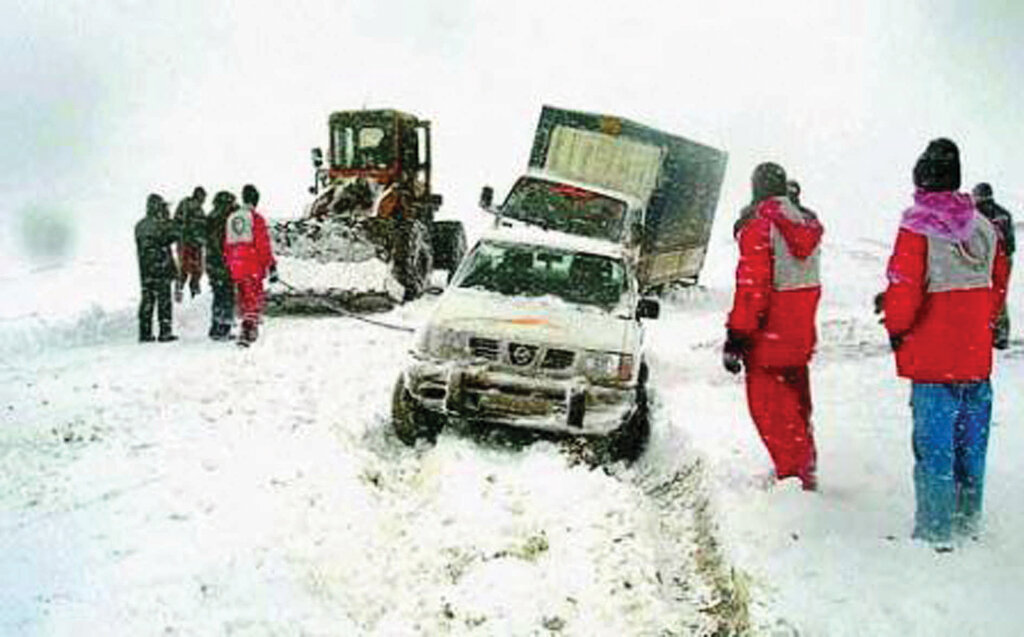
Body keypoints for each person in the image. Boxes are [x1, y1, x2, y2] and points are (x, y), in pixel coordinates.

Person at [882, 139, 1009, 549]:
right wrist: (979, 323)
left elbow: (904, 291)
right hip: (975, 357)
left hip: (933, 361)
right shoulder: (986, 227)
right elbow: (998, 284)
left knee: (935, 450)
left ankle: (936, 533)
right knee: (972, 445)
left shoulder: (916, 227)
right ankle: (968, 523)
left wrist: (897, 328)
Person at [723, 162, 824, 491]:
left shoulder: (760, 227)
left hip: (768, 339)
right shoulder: (805, 224)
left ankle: (793, 484)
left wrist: (736, 336)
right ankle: (804, 473)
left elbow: (752, 289)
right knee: (796, 410)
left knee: (771, 413)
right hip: (798, 336)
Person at [224, 184, 278, 347]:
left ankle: (246, 326)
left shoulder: (232, 217)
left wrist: (231, 262)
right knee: (253, 298)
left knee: (243, 297)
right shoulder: (256, 218)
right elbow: (263, 245)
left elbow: (226, 244)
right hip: (251, 264)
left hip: (236, 264)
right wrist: (271, 265)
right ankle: (248, 331)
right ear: (255, 200)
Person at [973, 182, 1015, 349]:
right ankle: (1001, 335)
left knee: (978, 296)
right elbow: (1010, 243)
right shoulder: (1004, 214)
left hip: (982, 261)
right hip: (1004, 259)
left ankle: (983, 332)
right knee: (1000, 296)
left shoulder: (975, 215)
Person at [134, 194, 179, 342]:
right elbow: (174, 234)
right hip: (161, 267)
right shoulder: (160, 223)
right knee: (164, 300)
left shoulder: (140, 225)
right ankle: (165, 332)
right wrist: (169, 218)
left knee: (147, 300)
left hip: (145, 269)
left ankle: (145, 332)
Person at [205, 191, 238, 340]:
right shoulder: (224, 219)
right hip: (222, 263)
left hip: (212, 263)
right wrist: (227, 260)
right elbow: (221, 243)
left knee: (218, 295)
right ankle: (224, 328)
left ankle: (216, 327)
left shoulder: (211, 217)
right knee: (227, 295)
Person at [173, 186, 207, 300]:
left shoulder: (190, 206)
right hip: (188, 243)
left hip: (191, 244)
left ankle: (187, 294)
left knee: (190, 271)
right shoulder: (190, 206)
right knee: (189, 271)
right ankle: (189, 295)